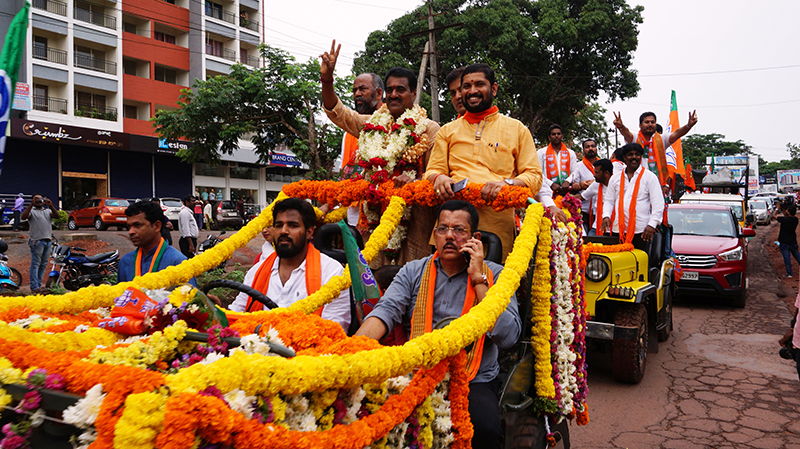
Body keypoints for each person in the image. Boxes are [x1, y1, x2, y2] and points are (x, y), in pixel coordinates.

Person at [356, 200, 520, 449]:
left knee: (484, 430)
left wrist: (479, 279)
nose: (450, 236)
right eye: (443, 229)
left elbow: (509, 336)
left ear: (474, 237)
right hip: (417, 372)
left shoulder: (497, 275)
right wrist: (355, 347)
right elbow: (385, 312)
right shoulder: (413, 271)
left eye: (459, 230)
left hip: (472, 379)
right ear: (435, 235)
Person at [320, 40, 441, 264]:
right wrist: (327, 80)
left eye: (401, 90)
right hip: (374, 216)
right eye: (390, 90)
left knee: (411, 282)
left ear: (413, 94)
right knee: (374, 284)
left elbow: (439, 173)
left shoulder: (430, 130)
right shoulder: (373, 123)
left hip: (414, 223)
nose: (393, 94)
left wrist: (416, 181)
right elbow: (338, 113)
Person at [425, 63, 543, 260]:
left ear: (493, 89)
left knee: (493, 288)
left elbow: (534, 176)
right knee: (445, 287)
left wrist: (506, 184)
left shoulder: (517, 129)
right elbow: (432, 170)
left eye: (479, 84)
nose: (472, 91)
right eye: (466, 86)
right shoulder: (448, 130)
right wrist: (439, 178)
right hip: (450, 227)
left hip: (497, 228)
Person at [229, 199, 351, 331]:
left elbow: (333, 331)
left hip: (309, 350)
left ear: (309, 232)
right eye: (279, 225)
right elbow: (235, 315)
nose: (283, 231)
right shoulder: (256, 271)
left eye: (292, 225)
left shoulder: (332, 273)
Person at [613, 110, 698, 195]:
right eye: (647, 122)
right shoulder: (635, 138)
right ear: (640, 125)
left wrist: (688, 126)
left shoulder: (662, 139)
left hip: (657, 184)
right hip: (638, 183)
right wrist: (621, 126)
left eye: (652, 122)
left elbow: (677, 134)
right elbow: (627, 133)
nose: (650, 124)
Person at [600, 143, 665, 251]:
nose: (634, 157)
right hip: (618, 230)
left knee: (640, 265)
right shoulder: (615, 178)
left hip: (642, 231)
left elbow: (658, 204)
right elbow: (609, 201)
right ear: (624, 158)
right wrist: (606, 216)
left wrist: (652, 225)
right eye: (630, 154)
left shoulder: (649, 177)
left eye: (637, 154)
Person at [118, 201, 195, 286]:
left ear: (157, 226)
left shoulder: (178, 262)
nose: (130, 232)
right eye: (129, 227)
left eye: (138, 225)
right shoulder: (125, 262)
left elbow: (191, 298)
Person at [21, 194, 57, 291]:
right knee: (35, 263)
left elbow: (56, 216)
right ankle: (34, 286)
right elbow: (23, 217)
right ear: (33, 201)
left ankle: (39, 284)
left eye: (40, 199)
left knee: (43, 264)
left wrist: (51, 205)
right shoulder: (31, 211)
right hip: (36, 241)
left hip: (47, 240)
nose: (38, 201)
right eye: (36, 199)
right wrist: (30, 205)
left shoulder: (47, 211)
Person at [568, 139, 600, 231]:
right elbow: (574, 184)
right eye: (587, 147)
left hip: (599, 209)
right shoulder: (578, 166)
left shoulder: (603, 165)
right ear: (583, 150)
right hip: (583, 209)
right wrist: (579, 185)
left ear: (596, 149)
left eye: (593, 146)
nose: (590, 148)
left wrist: (591, 183)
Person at [537, 124, 576, 195]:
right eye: (553, 134)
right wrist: (551, 184)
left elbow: (575, 172)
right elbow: (538, 173)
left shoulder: (570, 153)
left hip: (567, 191)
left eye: (558, 134)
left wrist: (567, 181)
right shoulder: (541, 152)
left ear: (562, 136)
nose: (556, 136)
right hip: (547, 191)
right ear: (549, 137)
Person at [580, 158, 615, 236]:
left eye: (597, 172)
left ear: (606, 173)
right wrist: (566, 200)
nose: (594, 175)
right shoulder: (596, 184)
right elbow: (582, 197)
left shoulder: (618, 185)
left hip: (614, 229)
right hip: (597, 227)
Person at [774, 202, 800, 278]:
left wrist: (777, 208)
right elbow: (786, 216)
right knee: (797, 255)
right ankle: (789, 273)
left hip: (784, 242)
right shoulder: (795, 219)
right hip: (792, 241)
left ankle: (789, 273)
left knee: (787, 257)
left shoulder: (784, 220)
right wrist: (783, 209)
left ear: (789, 212)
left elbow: (773, 216)